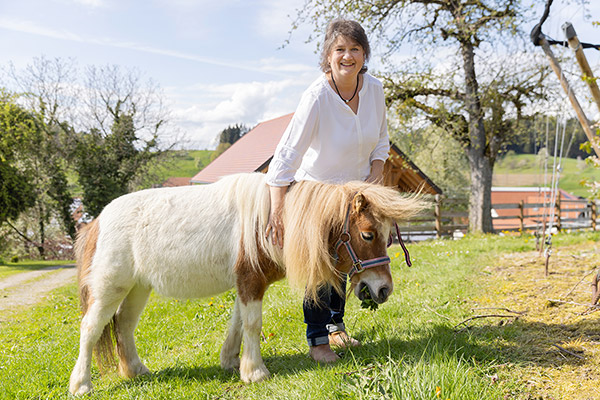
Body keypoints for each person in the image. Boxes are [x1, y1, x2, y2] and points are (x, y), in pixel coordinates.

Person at [264, 19, 390, 363]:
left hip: (357, 191)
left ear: (364, 54)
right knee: (320, 266)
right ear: (328, 56)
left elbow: (381, 139)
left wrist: (375, 175)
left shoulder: (375, 89)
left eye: (355, 49)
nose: (347, 56)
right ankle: (318, 340)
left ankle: (337, 328)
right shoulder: (316, 96)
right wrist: (279, 210)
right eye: (340, 50)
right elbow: (287, 154)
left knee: (347, 258)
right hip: (317, 192)